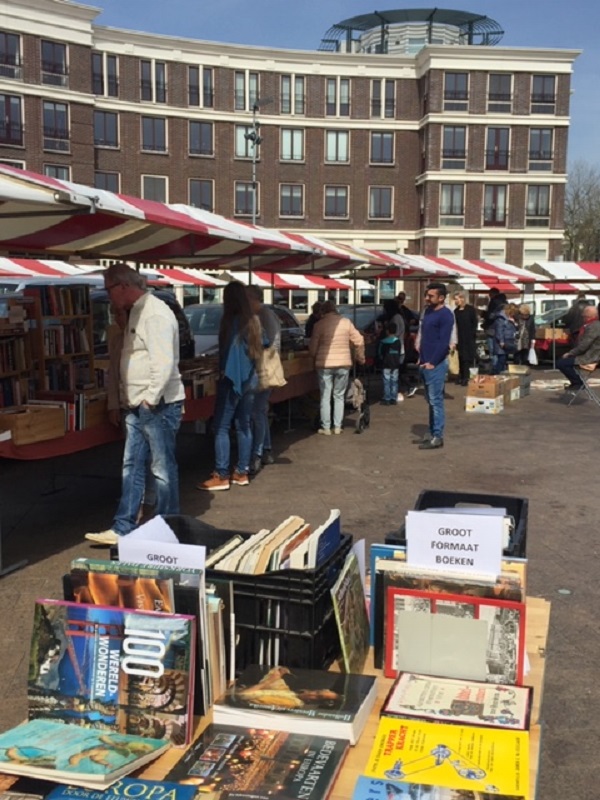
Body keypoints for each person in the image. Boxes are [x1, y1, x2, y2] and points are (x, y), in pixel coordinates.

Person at [85, 263, 185, 545]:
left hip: (156, 404)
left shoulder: (154, 314)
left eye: (109, 290)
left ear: (123, 286)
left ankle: (167, 527)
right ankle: (123, 527)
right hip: (142, 404)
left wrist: (149, 399)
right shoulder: (138, 314)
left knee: (161, 469)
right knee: (133, 465)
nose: (108, 297)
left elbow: (163, 362)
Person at [197, 281, 263, 491]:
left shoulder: (233, 322)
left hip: (233, 380)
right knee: (244, 425)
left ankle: (222, 474)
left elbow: (231, 355)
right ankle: (242, 471)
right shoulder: (253, 321)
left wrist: (227, 373)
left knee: (221, 427)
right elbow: (266, 343)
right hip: (251, 379)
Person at [309, 299, 365, 435]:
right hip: (343, 363)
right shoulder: (346, 323)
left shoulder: (318, 325)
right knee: (339, 395)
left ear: (323, 311)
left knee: (325, 396)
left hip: (324, 365)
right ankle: (338, 426)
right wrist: (360, 357)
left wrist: (313, 356)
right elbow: (359, 340)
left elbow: (312, 349)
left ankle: (326, 427)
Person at [246, 285, 281, 476]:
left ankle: (258, 453)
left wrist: (262, 359)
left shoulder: (264, 315)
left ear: (253, 298)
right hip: (262, 368)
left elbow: (273, 343)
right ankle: (265, 449)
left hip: (262, 369)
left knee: (256, 413)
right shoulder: (262, 314)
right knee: (260, 411)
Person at [416, 282, 454, 450]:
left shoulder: (446, 315)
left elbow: (443, 342)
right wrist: (422, 358)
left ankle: (437, 435)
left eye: (430, 296)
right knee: (431, 401)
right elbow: (425, 337)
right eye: (427, 295)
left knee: (436, 400)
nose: (427, 298)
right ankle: (432, 433)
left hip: (435, 364)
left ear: (441, 297)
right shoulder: (428, 312)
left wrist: (433, 362)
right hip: (425, 362)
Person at [557, 305, 600, 389]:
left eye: (584, 316)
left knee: (561, 363)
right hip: (588, 354)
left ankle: (578, 383)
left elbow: (584, 345)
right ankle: (577, 382)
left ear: (588, 316)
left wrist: (570, 353)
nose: (583, 319)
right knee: (564, 361)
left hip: (589, 357)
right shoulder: (593, 325)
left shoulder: (594, 326)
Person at [453, 291, 478, 386]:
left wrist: (472, 334)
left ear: (462, 298)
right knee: (460, 357)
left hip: (468, 337)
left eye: (457, 299)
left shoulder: (470, 309)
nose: (456, 301)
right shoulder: (456, 311)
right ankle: (461, 375)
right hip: (459, 337)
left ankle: (466, 377)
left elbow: (474, 323)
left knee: (467, 358)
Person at [377, 321, 402, 405]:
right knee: (394, 381)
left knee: (386, 381)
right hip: (395, 364)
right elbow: (399, 352)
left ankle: (387, 398)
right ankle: (393, 398)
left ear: (387, 331)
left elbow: (380, 353)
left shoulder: (383, 342)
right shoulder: (398, 341)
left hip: (386, 363)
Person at [483, 288, 507, 366]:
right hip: (503, 330)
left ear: (492, 294)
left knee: (493, 351)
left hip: (492, 329)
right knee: (501, 351)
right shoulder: (505, 302)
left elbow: (490, 316)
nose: (489, 296)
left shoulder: (493, 302)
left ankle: (495, 369)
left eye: (490, 294)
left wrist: (483, 314)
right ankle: (501, 368)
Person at [492, 303, 518, 375]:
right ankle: (496, 373)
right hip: (501, 342)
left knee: (504, 359)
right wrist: (501, 341)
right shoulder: (501, 318)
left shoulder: (509, 318)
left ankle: (499, 373)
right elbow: (499, 330)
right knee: (501, 359)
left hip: (508, 340)